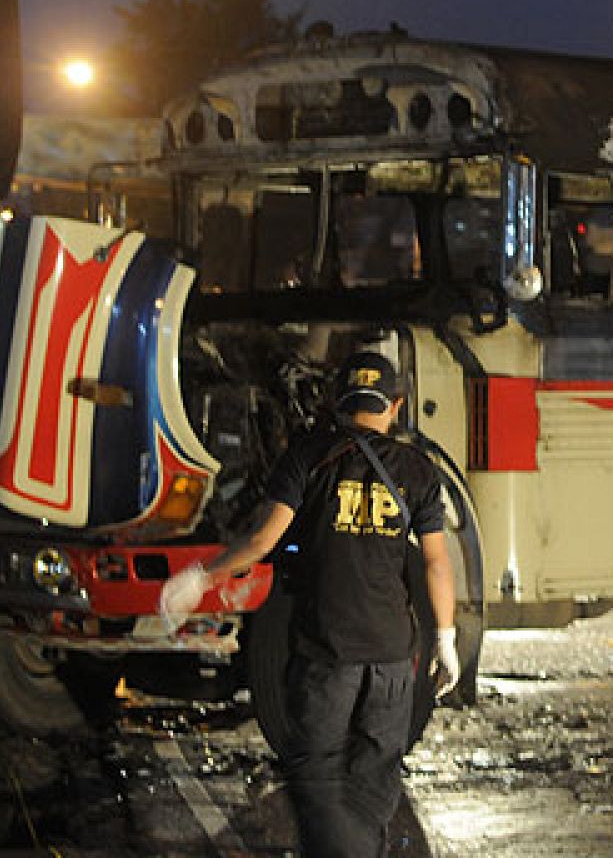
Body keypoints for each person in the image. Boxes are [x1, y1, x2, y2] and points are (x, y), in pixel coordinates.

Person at [159, 350, 459, 858]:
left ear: (338, 404)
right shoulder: (418, 471)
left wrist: (200, 577)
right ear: (397, 405)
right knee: (375, 779)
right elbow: (436, 563)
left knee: (315, 774)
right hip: (390, 657)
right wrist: (447, 639)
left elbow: (261, 541)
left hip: (327, 656)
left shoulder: (308, 456)